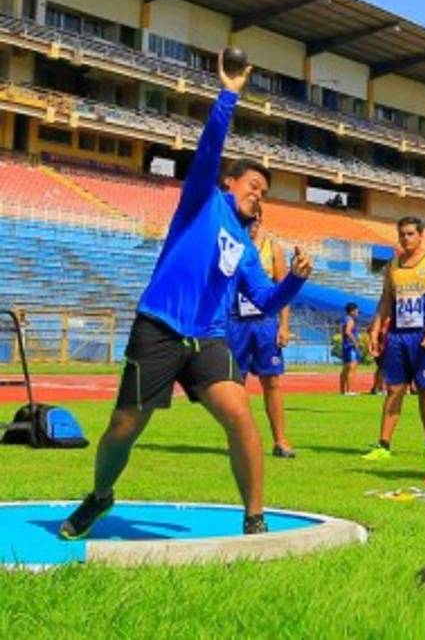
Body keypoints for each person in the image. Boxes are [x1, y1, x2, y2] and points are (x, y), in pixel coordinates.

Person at [59, 54, 312, 540]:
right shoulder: (201, 202)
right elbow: (209, 149)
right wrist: (229, 94)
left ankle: (254, 519)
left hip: (208, 340)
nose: (258, 195)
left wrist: (294, 281)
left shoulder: (246, 249)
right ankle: (101, 495)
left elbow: (265, 300)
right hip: (159, 326)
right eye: (253, 186)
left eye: (264, 193)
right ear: (229, 183)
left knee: (240, 415)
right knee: (124, 426)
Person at [362, 216, 425, 460]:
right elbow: (386, 299)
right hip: (398, 335)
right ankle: (383, 445)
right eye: (402, 234)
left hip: (422, 334)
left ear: (421, 235)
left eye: (411, 234)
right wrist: (376, 329)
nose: (406, 238)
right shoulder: (393, 265)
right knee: (394, 388)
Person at [228, 205, 296, 457]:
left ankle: (280, 440)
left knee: (272, 381)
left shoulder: (272, 248)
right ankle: (239, 440)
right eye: (248, 217)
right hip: (236, 323)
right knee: (236, 384)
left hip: (265, 324)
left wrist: (284, 326)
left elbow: (283, 290)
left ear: (260, 219)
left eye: (256, 218)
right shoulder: (232, 246)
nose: (252, 222)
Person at [340, 302, 361, 395]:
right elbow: (348, 332)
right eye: (356, 310)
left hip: (346, 345)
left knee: (345, 368)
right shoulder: (350, 320)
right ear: (352, 311)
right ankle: (350, 390)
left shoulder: (345, 319)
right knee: (352, 368)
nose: (357, 312)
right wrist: (355, 342)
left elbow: (343, 332)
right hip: (350, 347)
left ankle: (343, 390)